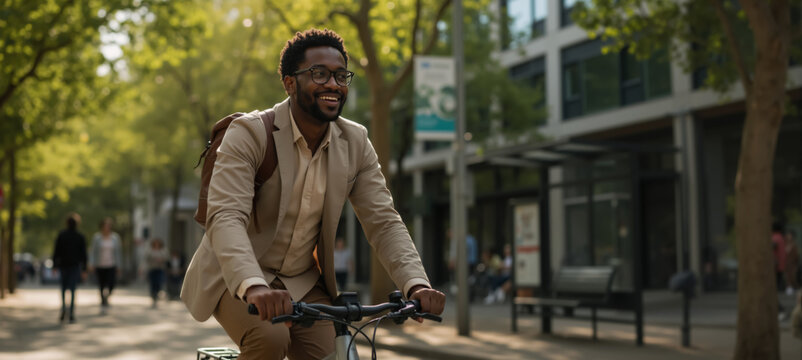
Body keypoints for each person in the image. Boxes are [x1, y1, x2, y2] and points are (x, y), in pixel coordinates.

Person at [181, 28, 445, 360]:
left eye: (340, 76)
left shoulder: (355, 142)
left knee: (340, 353)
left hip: (303, 283)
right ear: (290, 83)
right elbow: (226, 217)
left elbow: (384, 221)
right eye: (319, 74)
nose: (333, 84)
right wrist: (254, 285)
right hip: (235, 276)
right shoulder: (249, 133)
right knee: (272, 339)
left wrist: (416, 284)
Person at [52, 213, 88, 323]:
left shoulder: (62, 235)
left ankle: (64, 310)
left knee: (63, 289)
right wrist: (84, 269)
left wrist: (55, 266)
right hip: (74, 266)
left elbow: (56, 251)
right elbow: (84, 254)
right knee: (72, 289)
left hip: (64, 265)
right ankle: (71, 313)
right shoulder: (80, 236)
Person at [89, 217, 122, 314]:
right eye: (105, 225)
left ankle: (107, 297)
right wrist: (91, 264)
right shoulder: (97, 238)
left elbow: (118, 252)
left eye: (109, 226)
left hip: (111, 264)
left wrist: (119, 266)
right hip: (100, 265)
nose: (107, 227)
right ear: (102, 226)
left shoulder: (115, 238)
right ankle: (103, 302)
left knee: (111, 283)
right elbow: (93, 252)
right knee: (101, 285)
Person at [145, 238, 169, 308]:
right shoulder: (150, 250)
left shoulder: (163, 250)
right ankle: (153, 296)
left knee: (159, 282)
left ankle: (157, 293)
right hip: (152, 269)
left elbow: (167, 257)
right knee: (152, 283)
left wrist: (161, 259)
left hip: (160, 269)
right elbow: (146, 257)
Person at [786, 230, 800, 295]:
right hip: (787, 263)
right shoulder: (785, 244)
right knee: (788, 275)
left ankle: (794, 287)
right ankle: (789, 287)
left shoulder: (794, 245)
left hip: (793, 263)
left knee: (793, 275)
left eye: (790, 235)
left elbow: (796, 255)